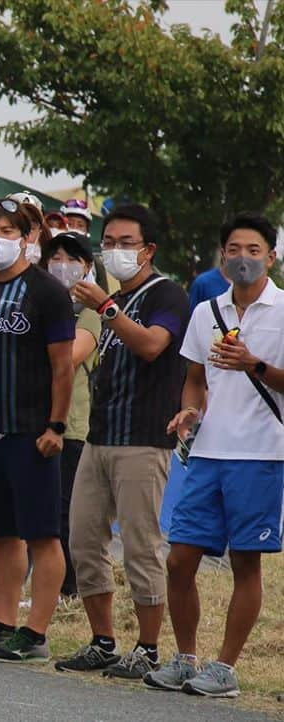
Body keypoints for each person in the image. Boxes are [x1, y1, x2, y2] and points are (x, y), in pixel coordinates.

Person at [145, 213, 283, 699]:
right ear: (221, 256)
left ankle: (225, 668)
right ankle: (185, 658)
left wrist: (256, 365)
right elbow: (196, 378)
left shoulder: (283, 310)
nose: (242, 258)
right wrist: (188, 410)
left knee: (246, 563)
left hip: (262, 455)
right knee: (180, 560)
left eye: (253, 249)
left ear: (271, 256)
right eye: (233, 249)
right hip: (206, 453)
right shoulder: (206, 311)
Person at [53, 206, 189, 679]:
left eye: (125, 242)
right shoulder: (109, 298)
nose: (113, 250)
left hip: (145, 439)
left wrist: (106, 309)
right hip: (100, 435)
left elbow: (153, 345)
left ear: (148, 249)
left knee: (140, 545)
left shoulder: (166, 293)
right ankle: (102, 641)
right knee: (84, 539)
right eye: (107, 241)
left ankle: (148, 649)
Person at [0, 198, 75, 662]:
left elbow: (63, 367)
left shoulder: (47, 291)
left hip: (34, 432)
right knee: (2, 533)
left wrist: (56, 425)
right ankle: (2, 621)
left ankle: (36, 632)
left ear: (28, 236)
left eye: (9, 230)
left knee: (42, 534)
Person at [37, 232, 101, 600]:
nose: (63, 265)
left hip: (73, 422)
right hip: (38, 417)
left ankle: (68, 587)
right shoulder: (44, 304)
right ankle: (49, 583)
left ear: (87, 267)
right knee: (45, 509)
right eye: (56, 257)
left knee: (65, 511)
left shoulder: (90, 313)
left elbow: (70, 358)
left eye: (71, 258)